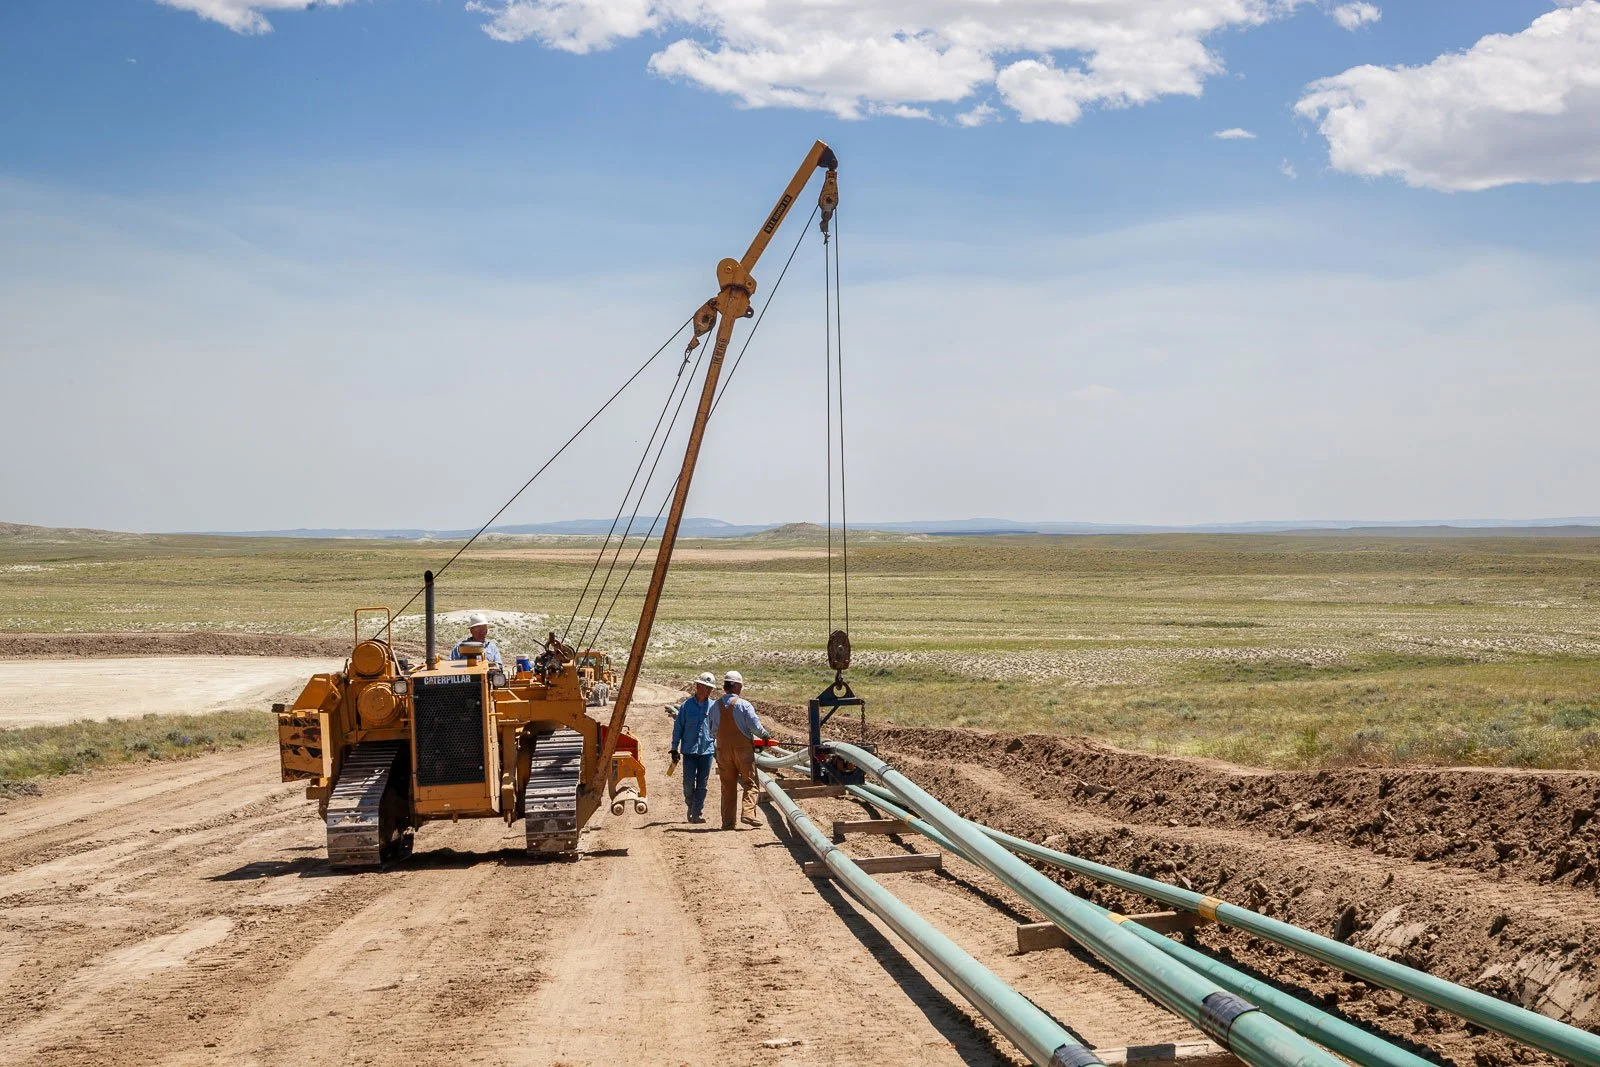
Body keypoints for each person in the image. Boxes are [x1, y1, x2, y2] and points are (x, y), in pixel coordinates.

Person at [709, 669, 770, 830]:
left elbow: (712, 731)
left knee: (727, 785)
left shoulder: (715, 706)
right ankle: (748, 813)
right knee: (750, 782)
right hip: (743, 750)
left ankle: (728, 823)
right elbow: (755, 727)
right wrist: (764, 736)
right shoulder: (744, 705)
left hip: (722, 750)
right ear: (736, 687)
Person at [669, 672, 717, 823]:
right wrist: (674, 748)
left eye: (710, 688)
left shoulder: (714, 707)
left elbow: (719, 727)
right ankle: (690, 805)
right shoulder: (686, 706)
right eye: (706, 687)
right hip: (689, 751)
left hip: (706, 752)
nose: (709, 691)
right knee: (688, 784)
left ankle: (697, 813)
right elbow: (678, 728)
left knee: (702, 784)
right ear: (698, 686)